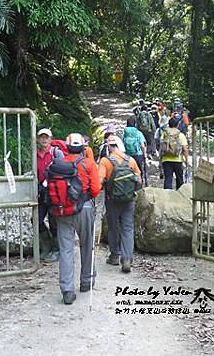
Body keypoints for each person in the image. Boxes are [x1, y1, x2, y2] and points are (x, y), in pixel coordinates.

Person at [50, 133, 101, 305]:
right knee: (87, 245)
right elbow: (95, 189)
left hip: (62, 211)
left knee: (66, 249)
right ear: (82, 147)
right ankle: (86, 282)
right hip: (84, 208)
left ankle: (67, 290)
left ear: (67, 147)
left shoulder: (58, 164)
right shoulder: (88, 163)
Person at [99, 135, 142, 273]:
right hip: (129, 200)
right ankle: (127, 258)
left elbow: (99, 181)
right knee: (127, 228)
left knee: (113, 227)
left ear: (109, 147)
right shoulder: (131, 160)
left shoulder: (105, 161)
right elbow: (139, 180)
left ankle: (115, 255)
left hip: (112, 200)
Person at [36, 128, 64, 263]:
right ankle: (46, 246)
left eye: (46, 137)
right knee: (36, 220)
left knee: (54, 222)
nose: (44, 139)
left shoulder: (56, 153)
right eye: (41, 137)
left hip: (54, 192)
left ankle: (56, 249)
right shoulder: (34, 155)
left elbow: (64, 171)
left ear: (51, 139)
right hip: (41, 192)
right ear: (37, 139)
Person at [160, 116, 190, 190]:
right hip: (178, 159)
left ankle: (167, 196)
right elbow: (185, 149)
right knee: (179, 179)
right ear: (178, 125)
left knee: (168, 178)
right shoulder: (180, 135)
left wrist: (160, 159)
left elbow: (161, 148)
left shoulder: (164, 134)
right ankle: (179, 196)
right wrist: (186, 160)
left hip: (166, 159)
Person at [123, 117, 148, 186]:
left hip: (128, 155)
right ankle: (139, 184)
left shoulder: (125, 133)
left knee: (129, 170)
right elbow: (142, 145)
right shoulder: (138, 133)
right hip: (138, 154)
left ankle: (131, 185)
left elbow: (123, 143)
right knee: (139, 170)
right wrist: (144, 153)